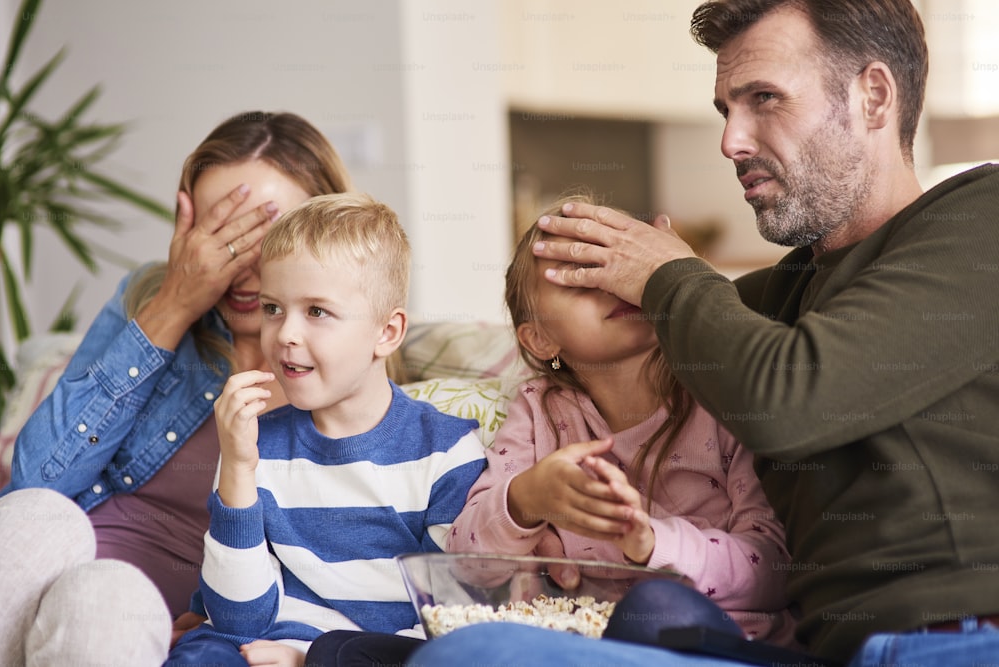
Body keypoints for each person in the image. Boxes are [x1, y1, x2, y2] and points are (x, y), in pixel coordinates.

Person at [410, 1, 999, 666]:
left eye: (765, 98)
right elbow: (602, 351)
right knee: (452, 651)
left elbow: (790, 396)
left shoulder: (980, 220)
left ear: (873, 95)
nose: (731, 141)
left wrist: (669, 273)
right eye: (726, 109)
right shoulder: (773, 299)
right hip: (824, 650)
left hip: (963, 638)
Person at [0, 110, 356, 642]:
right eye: (217, 234)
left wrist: (217, 625)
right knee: (40, 514)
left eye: (265, 232)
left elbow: (351, 559)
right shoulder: (151, 294)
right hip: (37, 588)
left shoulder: (346, 353)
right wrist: (175, 302)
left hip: (127, 620)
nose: (238, 264)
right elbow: (38, 483)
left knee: (103, 598)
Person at [446, 193, 795, 645]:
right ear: (540, 339)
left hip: (720, 643)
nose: (613, 285)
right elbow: (466, 563)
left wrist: (653, 543)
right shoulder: (539, 410)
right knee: (351, 650)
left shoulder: (720, 396)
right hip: (584, 643)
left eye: (620, 266)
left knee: (653, 608)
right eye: (579, 278)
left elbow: (777, 570)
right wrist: (528, 500)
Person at [165, 193, 486, 667]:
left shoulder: (446, 451)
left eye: (316, 311)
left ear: (387, 332)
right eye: (273, 308)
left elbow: (444, 628)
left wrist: (308, 658)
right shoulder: (255, 446)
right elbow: (237, 621)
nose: (285, 333)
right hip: (251, 644)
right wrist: (236, 467)